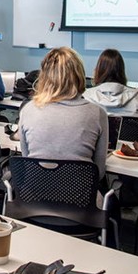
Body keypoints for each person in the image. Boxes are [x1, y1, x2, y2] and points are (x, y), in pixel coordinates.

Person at [19, 47, 108, 178]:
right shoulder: (98, 114)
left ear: (44, 77)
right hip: (80, 196)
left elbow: (26, 159)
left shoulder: (28, 110)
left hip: (33, 194)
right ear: (79, 75)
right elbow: (98, 173)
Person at [83, 48, 138, 137]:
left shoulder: (86, 97)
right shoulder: (137, 97)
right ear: (122, 71)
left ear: (98, 70)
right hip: (131, 149)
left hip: (95, 148)